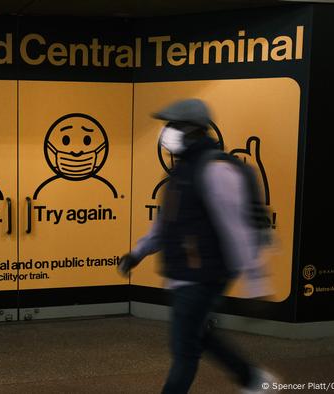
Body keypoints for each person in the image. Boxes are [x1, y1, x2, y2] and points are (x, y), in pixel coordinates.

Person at [118, 99, 275, 394]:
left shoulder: (216, 170)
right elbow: (165, 225)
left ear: (193, 130)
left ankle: (251, 380)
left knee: (184, 349)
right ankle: (254, 380)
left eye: (173, 125)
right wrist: (138, 252)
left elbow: (237, 229)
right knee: (198, 335)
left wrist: (256, 282)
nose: (166, 132)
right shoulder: (180, 173)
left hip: (204, 274)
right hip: (185, 273)